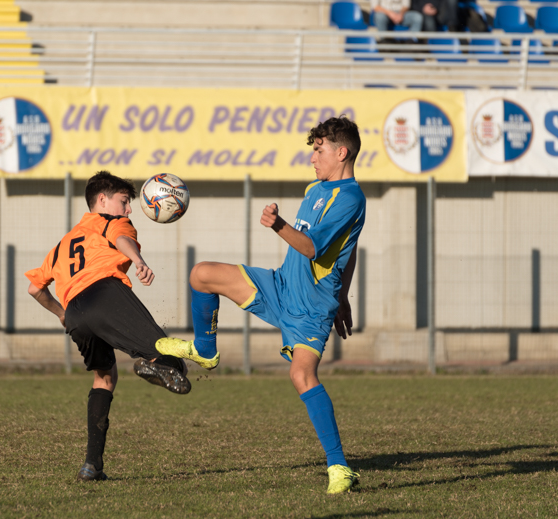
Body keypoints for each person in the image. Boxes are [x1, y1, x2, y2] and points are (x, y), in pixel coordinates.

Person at [156, 116, 366, 495]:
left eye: (319, 150)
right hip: (280, 285)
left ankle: (339, 467)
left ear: (341, 153)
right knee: (202, 274)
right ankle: (205, 351)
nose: (313, 158)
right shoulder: (315, 188)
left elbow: (313, 247)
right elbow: (345, 251)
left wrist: (278, 225)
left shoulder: (350, 198)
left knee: (302, 376)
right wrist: (345, 295)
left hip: (311, 308)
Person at [25, 170, 190, 482]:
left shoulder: (63, 243)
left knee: (104, 377)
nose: (129, 210)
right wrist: (138, 261)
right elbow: (121, 238)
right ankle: (157, 364)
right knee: (171, 359)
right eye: (124, 201)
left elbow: (35, 288)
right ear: (102, 200)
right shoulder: (110, 222)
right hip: (105, 294)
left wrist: (62, 314)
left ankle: (92, 465)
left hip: (76, 314)